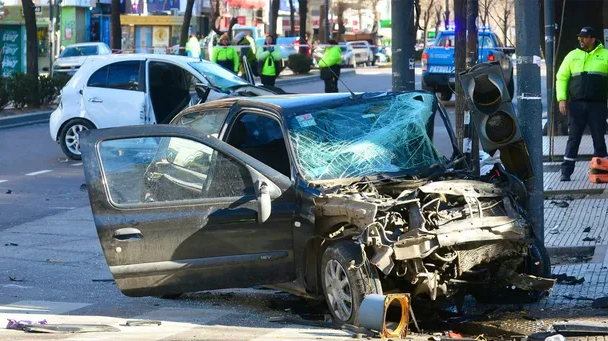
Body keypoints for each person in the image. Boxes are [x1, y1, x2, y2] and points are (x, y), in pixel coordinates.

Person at [556, 26, 608, 181]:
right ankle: (566, 172)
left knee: (599, 138)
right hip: (577, 104)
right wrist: (562, 99)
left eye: (584, 37)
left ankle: (602, 171)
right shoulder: (572, 56)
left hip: (597, 104)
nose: (581, 40)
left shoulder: (605, 55)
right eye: (580, 38)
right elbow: (562, 77)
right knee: (573, 138)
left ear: (592, 39)